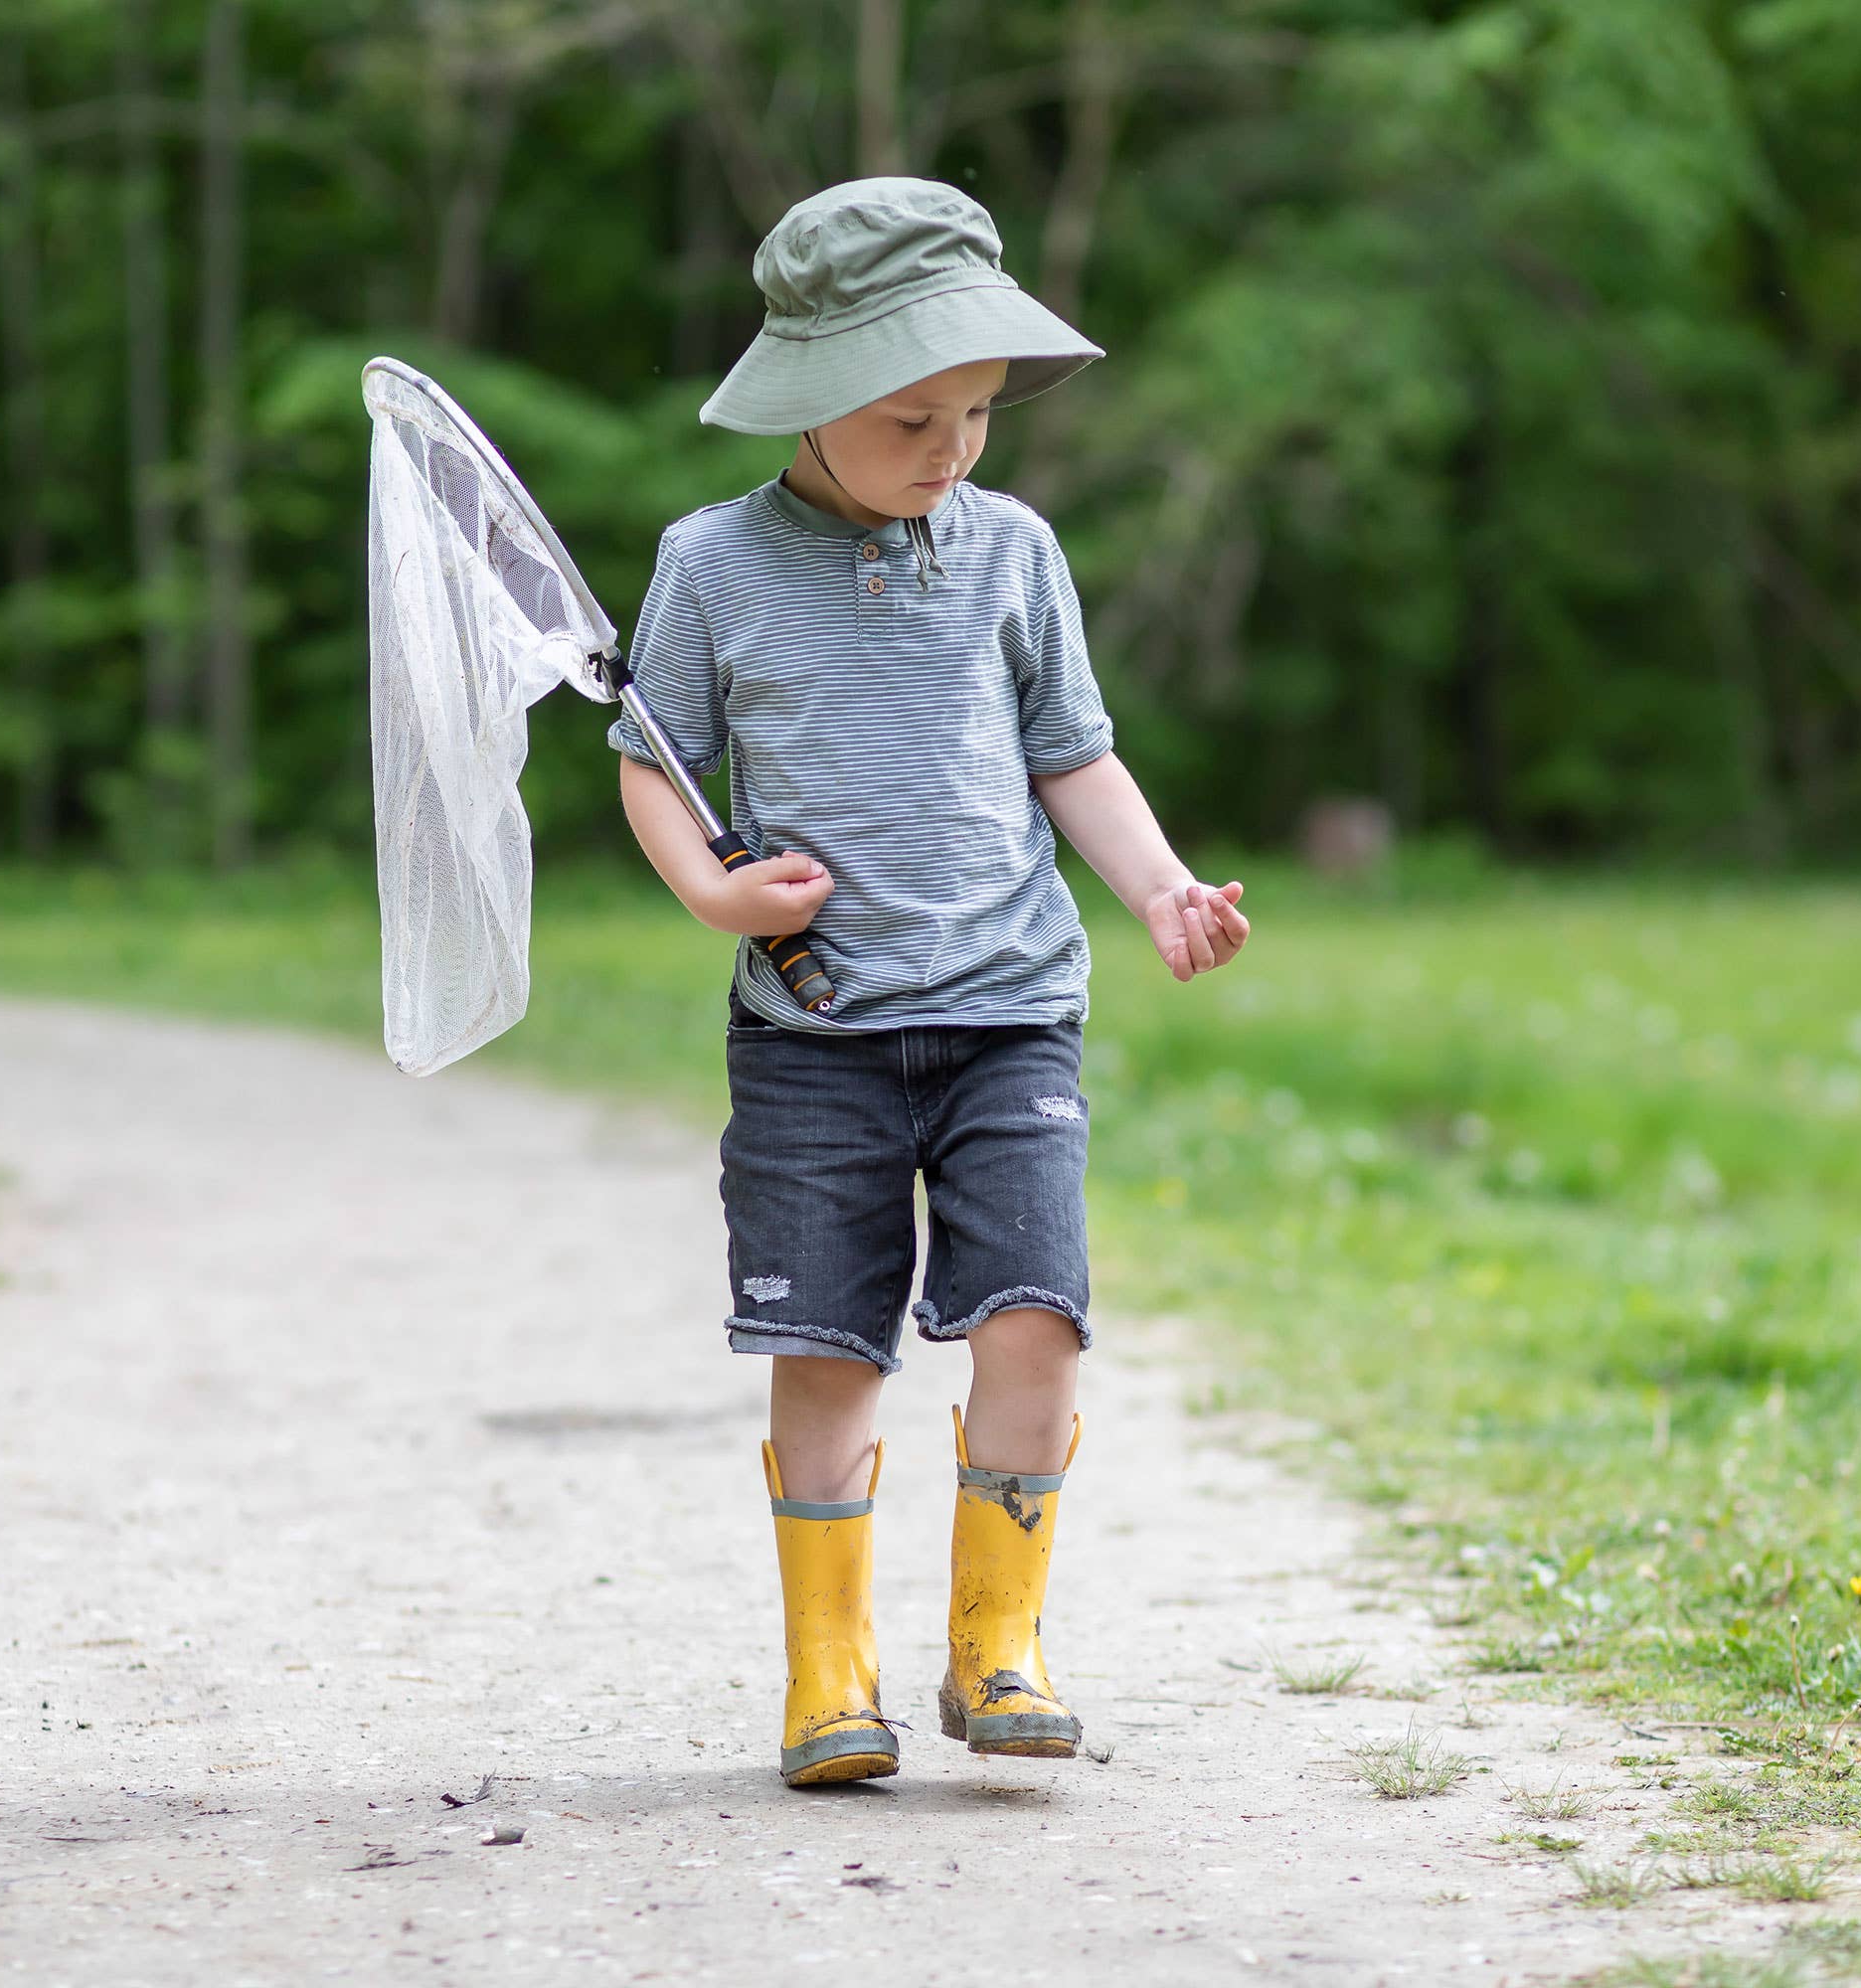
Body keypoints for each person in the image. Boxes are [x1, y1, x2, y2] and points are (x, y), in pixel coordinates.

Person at [609, 177, 1248, 1787]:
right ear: (813, 401)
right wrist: (711, 890)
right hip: (816, 1030)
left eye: (975, 410)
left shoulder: (1014, 552)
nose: (952, 446)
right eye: (911, 417)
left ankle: (998, 1645)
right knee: (826, 1345)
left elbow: (1071, 754)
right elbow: (653, 764)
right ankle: (830, 1674)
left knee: (1036, 1318)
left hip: (1009, 1011)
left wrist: (1161, 886)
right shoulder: (711, 565)